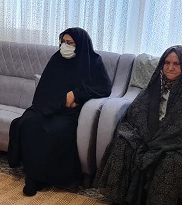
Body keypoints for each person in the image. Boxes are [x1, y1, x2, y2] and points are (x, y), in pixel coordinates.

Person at [94, 45, 182, 205]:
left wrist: (160, 141)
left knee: (172, 162)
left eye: (176, 64)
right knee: (123, 143)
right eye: (167, 63)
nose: (170, 68)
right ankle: (118, 200)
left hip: (176, 143)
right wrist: (145, 136)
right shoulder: (155, 85)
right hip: (147, 135)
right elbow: (137, 111)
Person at [8, 27, 112, 196]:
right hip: (48, 106)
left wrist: (76, 94)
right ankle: (34, 175)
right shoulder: (57, 59)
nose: (65, 46)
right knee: (26, 123)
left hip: (69, 112)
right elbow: (44, 87)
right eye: (63, 42)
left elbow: (104, 88)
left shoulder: (93, 62)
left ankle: (37, 178)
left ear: (80, 44)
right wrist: (54, 102)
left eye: (70, 43)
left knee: (53, 131)